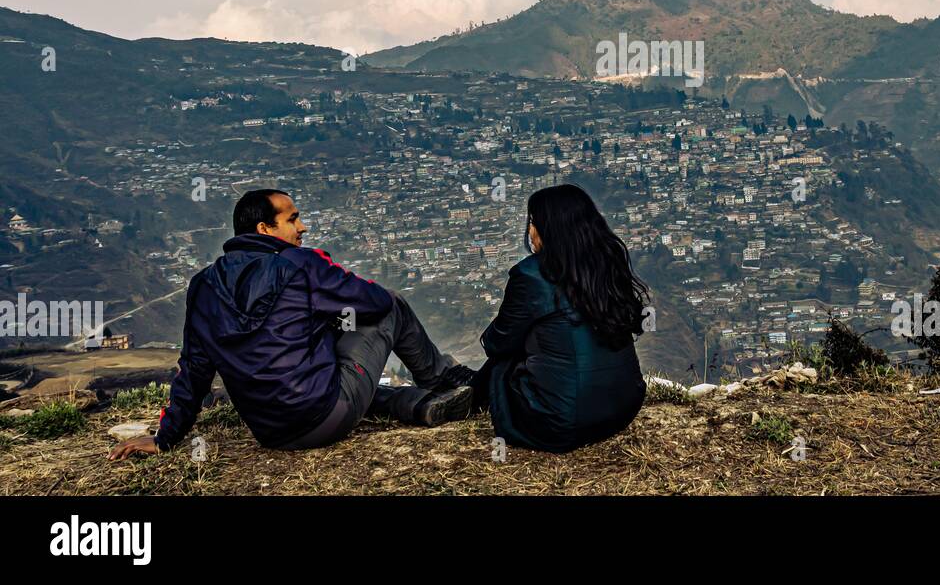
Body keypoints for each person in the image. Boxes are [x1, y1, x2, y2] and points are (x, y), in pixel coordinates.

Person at [109, 189, 476, 460]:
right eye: (292, 219)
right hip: (325, 414)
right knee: (393, 304)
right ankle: (444, 379)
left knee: (331, 364)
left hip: (271, 431)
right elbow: (376, 302)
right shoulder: (300, 264)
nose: (302, 227)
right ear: (265, 228)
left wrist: (166, 437)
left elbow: (194, 370)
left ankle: (420, 405)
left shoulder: (204, 285)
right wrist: (330, 297)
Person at [472, 183, 649, 453]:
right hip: (623, 410)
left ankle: (463, 399)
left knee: (507, 358)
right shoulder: (608, 263)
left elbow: (498, 344)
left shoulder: (531, 275)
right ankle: (461, 392)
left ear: (549, 227)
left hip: (560, 425)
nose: (530, 231)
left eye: (533, 221)